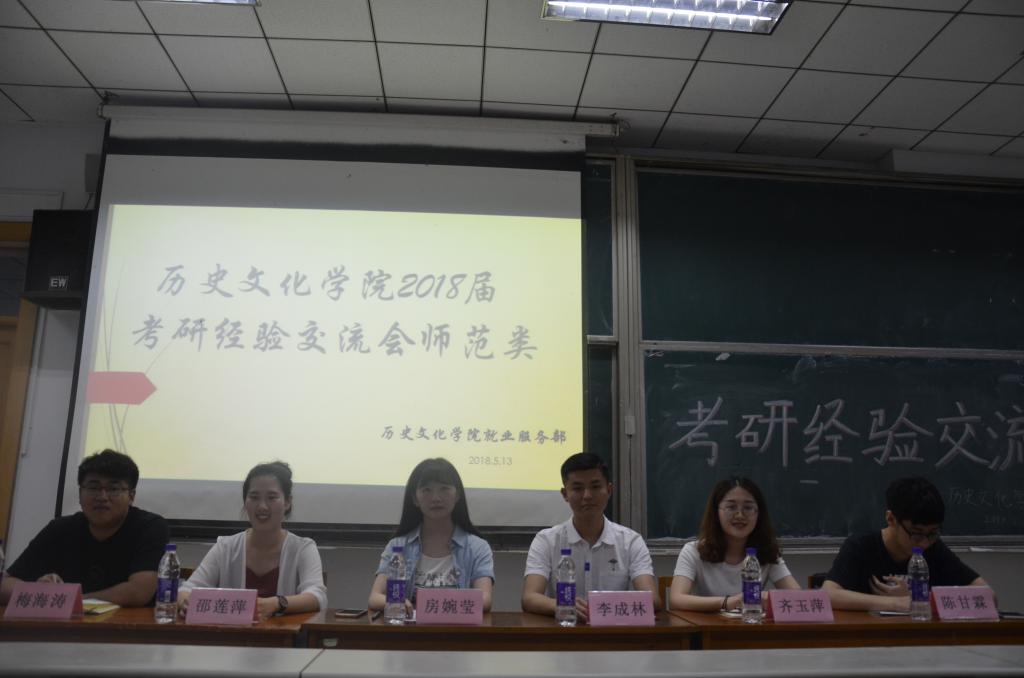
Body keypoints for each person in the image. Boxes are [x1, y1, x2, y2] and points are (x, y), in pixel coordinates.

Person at [0, 449, 168, 607]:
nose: (102, 497)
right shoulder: (59, 529)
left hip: (126, 626)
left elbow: (139, 592)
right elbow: (6, 584)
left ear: (131, 496)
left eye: (113, 489)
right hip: (64, 625)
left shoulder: (150, 527)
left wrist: (69, 598)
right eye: (93, 487)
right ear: (80, 494)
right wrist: (39, 591)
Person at [522, 452, 660, 623]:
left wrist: (602, 608)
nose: (587, 496)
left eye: (595, 487)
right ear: (565, 494)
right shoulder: (546, 540)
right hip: (565, 631)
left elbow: (652, 600)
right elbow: (529, 598)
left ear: (609, 490)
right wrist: (562, 605)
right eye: (578, 488)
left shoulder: (630, 541)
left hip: (614, 633)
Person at [178, 461, 326, 620]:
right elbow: (186, 590)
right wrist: (186, 602)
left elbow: (317, 596)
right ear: (245, 501)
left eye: (272, 497)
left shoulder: (303, 548)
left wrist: (277, 603)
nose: (262, 506)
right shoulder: (226, 547)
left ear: (287, 502)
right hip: (233, 635)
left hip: (284, 635)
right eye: (254, 497)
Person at [823, 476, 988, 611]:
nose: (924, 543)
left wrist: (917, 598)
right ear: (891, 519)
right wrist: (897, 603)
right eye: (916, 533)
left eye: (932, 533)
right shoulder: (861, 546)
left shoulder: (934, 548)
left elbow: (987, 596)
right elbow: (829, 595)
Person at [368, 457, 494, 613]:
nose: (436, 498)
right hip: (411, 627)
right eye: (426, 490)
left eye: (444, 489)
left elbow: (485, 600)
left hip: (458, 627)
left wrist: (436, 607)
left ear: (457, 495)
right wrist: (398, 602)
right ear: (415, 499)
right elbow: (375, 597)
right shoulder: (399, 546)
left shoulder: (477, 547)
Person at [670, 477, 799, 611]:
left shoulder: (767, 551)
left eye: (748, 508)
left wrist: (770, 597)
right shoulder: (694, 551)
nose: (739, 515)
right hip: (708, 623)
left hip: (752, 622)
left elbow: (798, 598)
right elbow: (676, 599)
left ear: (759, 514)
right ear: (716, 513)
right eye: (731, 507)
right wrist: (728, 602)